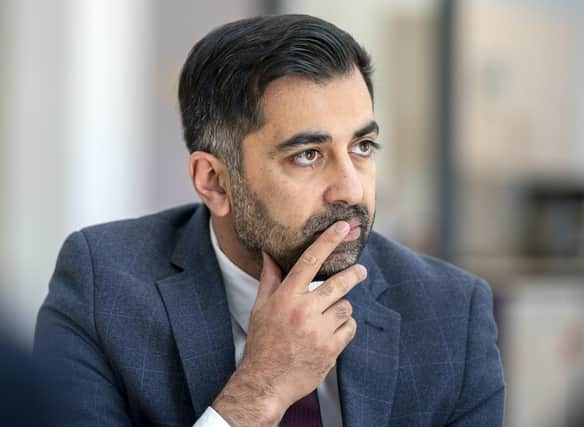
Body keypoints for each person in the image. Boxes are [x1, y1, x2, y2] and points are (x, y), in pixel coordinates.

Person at [33, 14, 504, 426]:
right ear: (214, 181)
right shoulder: (103, 287)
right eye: (307, 155)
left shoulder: (450, 311)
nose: (351, 189)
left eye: (362, 147)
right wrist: (260, 390)